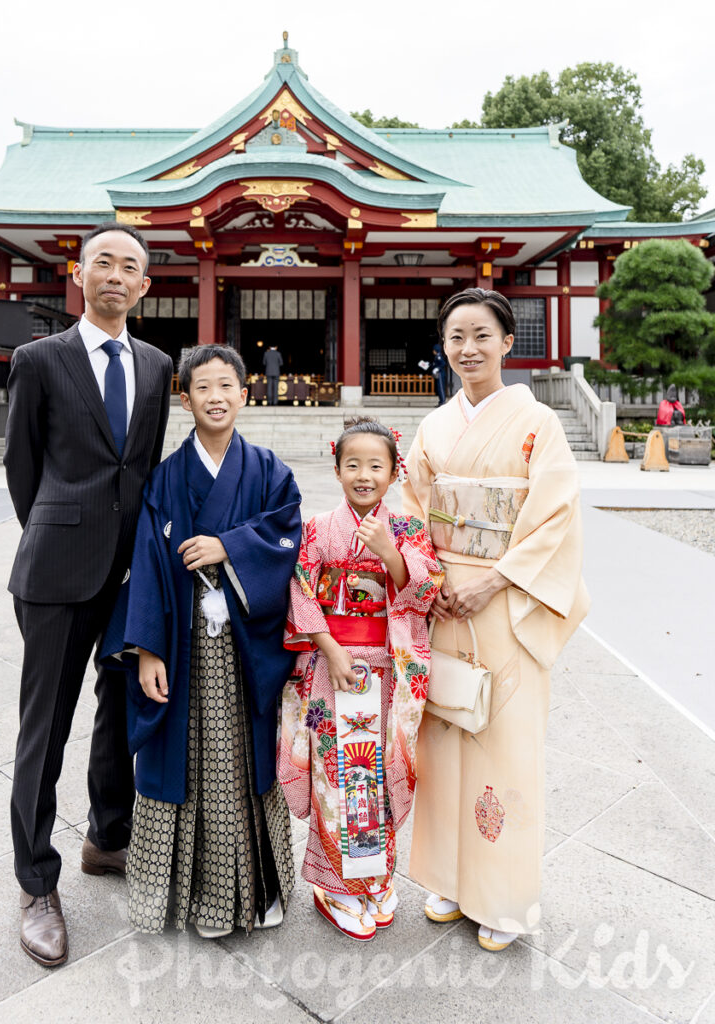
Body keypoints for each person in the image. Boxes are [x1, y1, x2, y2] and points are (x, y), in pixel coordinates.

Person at [3, 222, 172, 967]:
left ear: (143, 286)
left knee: (120, 714)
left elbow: (143, 466)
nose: (114, 274)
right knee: (45, 727)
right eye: (101, 260)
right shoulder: (39, 359)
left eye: (128, 266)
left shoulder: (159, 365)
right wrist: (56, 535)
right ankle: (36, 879)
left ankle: (108, 838)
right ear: (78, 274)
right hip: (56, 575)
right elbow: (21, 467)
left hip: (128, 572)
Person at [402, 287, 589, 952]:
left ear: (508, 343)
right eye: (456, 337)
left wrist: (494, 579)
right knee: (443, 741)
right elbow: (413, 509)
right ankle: (451, 879)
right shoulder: (434, 428)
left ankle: (505, 896)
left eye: (482, 335)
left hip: (507, 603)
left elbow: (555, 516)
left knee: (505, 746)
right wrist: (435, 577)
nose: (468, 349)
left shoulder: (539, 423)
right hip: (447, 601)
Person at [101, 344, 301, 938]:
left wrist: (229, 547)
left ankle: (259, 887)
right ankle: (202, 899)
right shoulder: (165, 476)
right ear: (184, 398)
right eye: (203, 388)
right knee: (190, 763)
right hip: (183, 639)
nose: (217, 397)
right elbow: (147, 560)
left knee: (244, 762)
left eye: (227, 386)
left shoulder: (269, 470)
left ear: (246, 392)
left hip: (244, 641)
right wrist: (149, 649)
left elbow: (287, 534)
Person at [277, 417, 443, 940]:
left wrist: (391, 553)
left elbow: (425, 592)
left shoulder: (408, 530)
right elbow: (301, 594)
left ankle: (371, 877)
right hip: (333, 665)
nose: (364, 475)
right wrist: (330, 649)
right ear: (336, 469)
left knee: (375, 777)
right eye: (353, 465)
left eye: (376, 465)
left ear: (395, 473)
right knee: (336, 776)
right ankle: (336, 887)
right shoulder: (319, 528)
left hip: (387, 667)